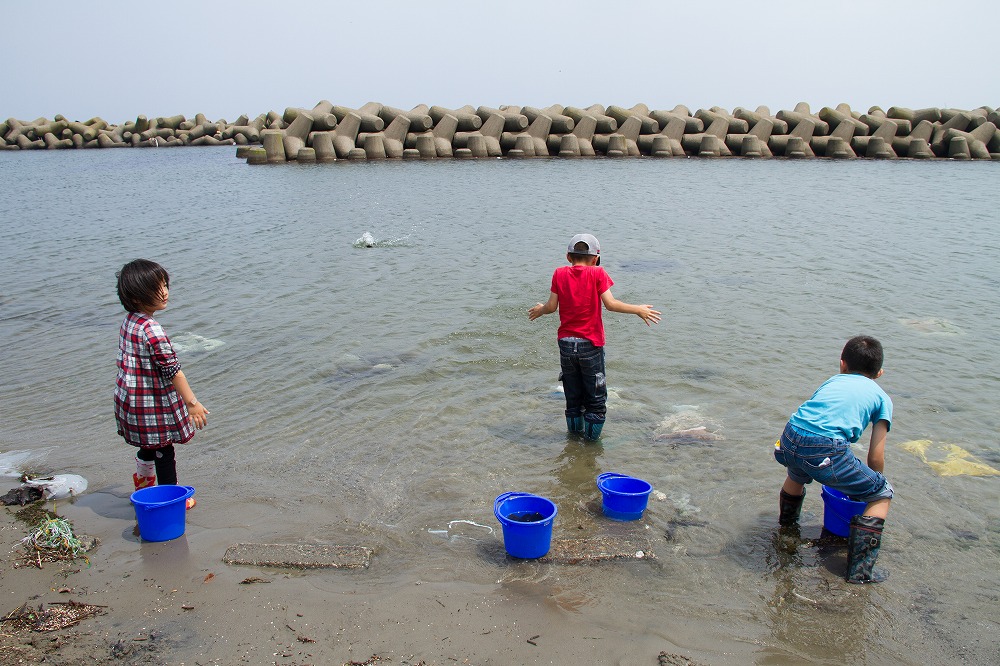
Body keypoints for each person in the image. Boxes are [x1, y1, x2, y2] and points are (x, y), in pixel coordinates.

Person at [774, 335, 893, 583]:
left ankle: (786, 531)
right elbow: (876, 455)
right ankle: (860, 572)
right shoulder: (882, 398)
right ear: (879, 373)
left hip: (789, 437)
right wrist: (873, 484)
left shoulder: (833, 380)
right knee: (882, 493)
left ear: (842, 364)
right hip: (824, 448)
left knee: (798, 473)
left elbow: (812, 417)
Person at [528, 234, 661, 440]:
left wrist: (540, 309)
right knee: (596, 400)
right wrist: (638, 310)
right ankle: (591, 447)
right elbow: (611, 304)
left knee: (573, 397)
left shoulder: (559, 273)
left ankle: (573, 441)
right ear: (595, 259)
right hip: (590, 344)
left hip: (566, 344)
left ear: (568, 257)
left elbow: (552, 307)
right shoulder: (597, 273)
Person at [114, 259, 208, 509]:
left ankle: (143, 487)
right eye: (156, 288)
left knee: (148, 446)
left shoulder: (130, 321)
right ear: (136, 296)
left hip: (131, 399)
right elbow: (173, 370)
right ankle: (172, 499)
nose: (164, 292)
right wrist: (192, 403)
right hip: (151, 404)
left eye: (165, 285)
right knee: (164, 450)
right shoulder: (151, 329)